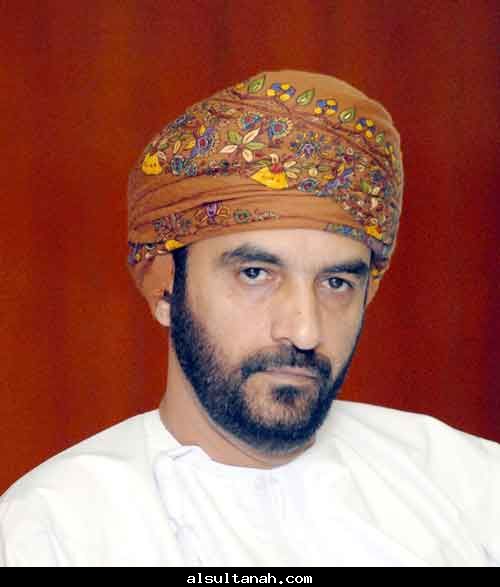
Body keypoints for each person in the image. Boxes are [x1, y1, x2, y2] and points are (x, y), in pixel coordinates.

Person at [1, 70, 498, 568]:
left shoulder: (470, 490)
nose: (304, 331)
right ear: (165, 288)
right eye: (255, 274)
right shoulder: (52, 533)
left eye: (336, 283)